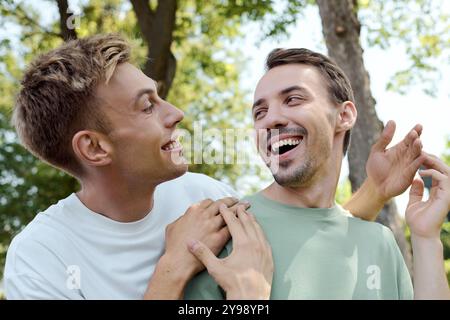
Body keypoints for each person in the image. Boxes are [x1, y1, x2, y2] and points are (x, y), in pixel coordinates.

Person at [4, 35, 425, 300]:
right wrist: (174, 269)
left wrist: (374, 192)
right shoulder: (41, 257)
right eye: (147, 106)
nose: (177, 113)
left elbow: (308, 244)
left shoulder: (203, 195)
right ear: (95, 148)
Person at [184, 48, 450, 299]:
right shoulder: (225, 229)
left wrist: (426, 237)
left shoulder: (380, 243)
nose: (270, 119)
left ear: (344, 115)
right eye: (260, 112)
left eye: (293, 99)